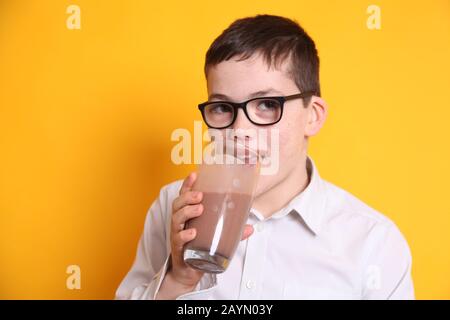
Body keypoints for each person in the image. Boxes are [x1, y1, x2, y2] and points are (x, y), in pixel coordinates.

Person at [115, 14, 414, 300]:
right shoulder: (174, 207)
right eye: (221, 108)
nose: (239, 129)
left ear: (312, 115)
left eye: (267, 104)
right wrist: (177, 281)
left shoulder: (374, 243)